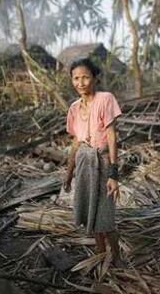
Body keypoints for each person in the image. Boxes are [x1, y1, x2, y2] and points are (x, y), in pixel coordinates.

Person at [63, 58, 123, 266]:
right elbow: (75, 143)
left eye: (85, 77)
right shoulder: (73, 108)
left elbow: (112, 136)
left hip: (103, 162)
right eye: (76, 78)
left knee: (105, 219)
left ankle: (115, 257)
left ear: (95, 78)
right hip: (83, 163)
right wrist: (69, 173)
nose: (81, 83)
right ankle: (100, 256)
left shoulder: (105, 99)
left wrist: (114, 174)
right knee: (92, 216)